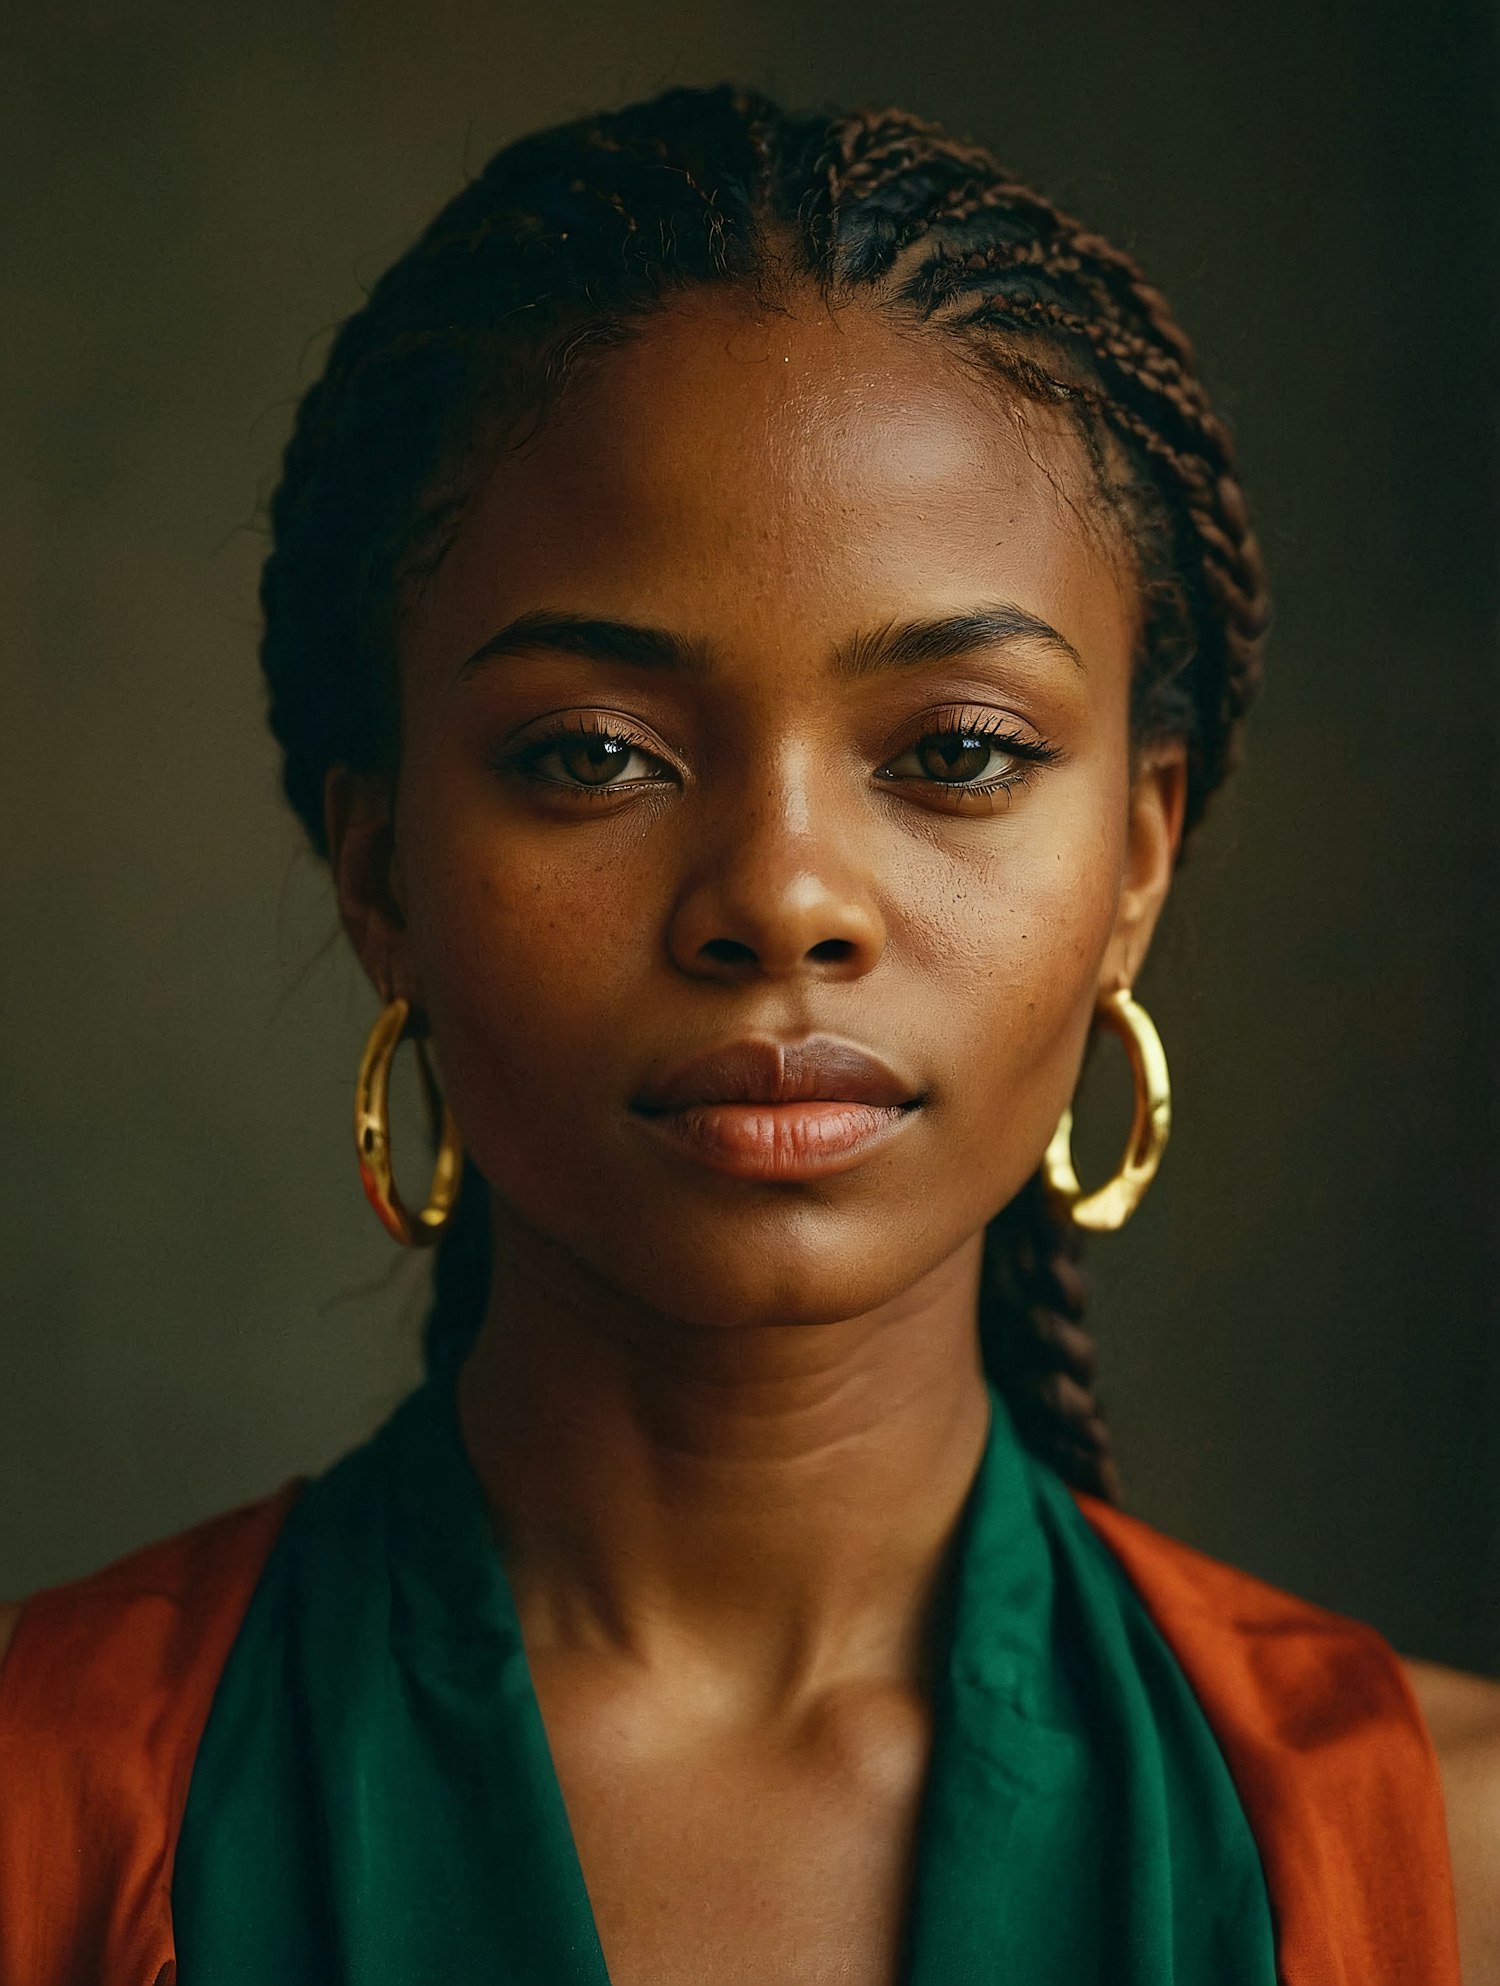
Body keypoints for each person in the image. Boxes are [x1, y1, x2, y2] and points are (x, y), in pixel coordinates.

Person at [1, 82, 1496, 1985]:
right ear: (380, 869)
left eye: (956, 751)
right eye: (595, 754)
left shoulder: (1438, 1864)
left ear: (1139, 849)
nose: (783, 894)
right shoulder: (49, 1815)